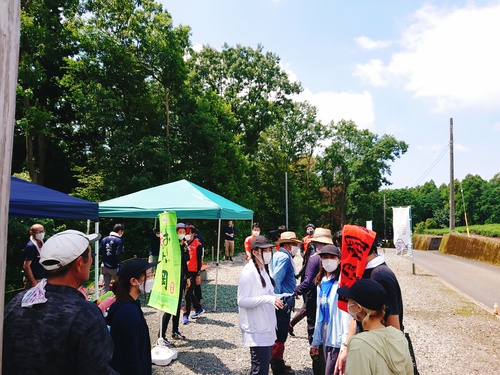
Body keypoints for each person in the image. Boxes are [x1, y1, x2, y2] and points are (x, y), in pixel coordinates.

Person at [3, 229, 117, 374]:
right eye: (91, 256)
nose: (92, 261)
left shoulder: (17, 302)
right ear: (79, 263)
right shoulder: (85, 315)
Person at [337, 279, 413, 375]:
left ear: (358, 308)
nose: (348, 304)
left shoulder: (359, 345)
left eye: (350, 301)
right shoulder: (399, 336)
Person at [237, 235, 284, 375]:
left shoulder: (263, 269)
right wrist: (267, 299)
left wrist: (282, 297)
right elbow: (242, 301)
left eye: (270, 249)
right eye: (265, 250)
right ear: (255, 252)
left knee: (264, 366)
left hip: (267, 326)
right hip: (256, 330)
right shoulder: (247, 273)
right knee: (259, 369)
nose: (269, 253)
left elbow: (269, 293)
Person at [291, 227, 334, 375]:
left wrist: (295, 291)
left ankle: (318, 366)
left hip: (314, 299)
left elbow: (308, 281)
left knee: (315, 334)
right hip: (331, 301)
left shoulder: (315, 258)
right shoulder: (335, 257)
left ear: (315, 243)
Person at [106, 258, 157, 375]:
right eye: (148, 276)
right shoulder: (129, 313)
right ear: (133, 281)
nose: (152, 279)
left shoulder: (127, 305)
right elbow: (131, 357)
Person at [311, 244, 351, 375]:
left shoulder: (341, 284)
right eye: (325, 257)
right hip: (325, 333)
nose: (328, 260)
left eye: (332, 257)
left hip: (337, 336)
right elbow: (319, 314)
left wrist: (344, 343)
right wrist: (316, 340)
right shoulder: (321, 282)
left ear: (339, 260)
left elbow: (345, 315)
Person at [270, 231, 301, 374]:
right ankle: (277, 365)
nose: (296, 246)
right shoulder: (284, 257)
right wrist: (278, 298)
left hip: (284, 295)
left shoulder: (278, 254)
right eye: (295, 244)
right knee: (281, 332)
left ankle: (278, 361)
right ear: (288, 244)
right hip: (283, 299)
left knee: (278, 331)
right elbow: (277, 278)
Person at [159, 223, 189, 345]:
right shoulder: (170, 245)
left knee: (177, 307)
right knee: (169, 307)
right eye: (179, 231)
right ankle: (161, 336)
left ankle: (175, 331)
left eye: (183, 231)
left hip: (181, 278)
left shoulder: (184, 244)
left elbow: (185, 263)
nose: (181, 233)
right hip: (172, 278)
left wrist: (187, 277)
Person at [184, 225, 205, 324]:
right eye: (186, 233)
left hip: (193, 272)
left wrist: (198, 275)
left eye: (189, 233)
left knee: (187, 293)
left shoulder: (198, 245)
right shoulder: (184, 244)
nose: (187, 235)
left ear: (193, 234)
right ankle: (198, 307)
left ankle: (185, 314)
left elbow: (199, 261)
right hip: (185, 271)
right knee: (188, 291)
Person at [100, 223, 125, 293]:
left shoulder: (104, 239)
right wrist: (119, 264)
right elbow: (118, 253)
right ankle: (120, 301)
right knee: (120, 285)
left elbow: (100, 250)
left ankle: (103, 302)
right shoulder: (119, 240)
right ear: (120, 231)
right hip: (114, 267)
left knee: (105, 286)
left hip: (104, 266)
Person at [22, 223, 45, 289]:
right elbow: (26, 265)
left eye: (42, 231)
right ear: (31, 233)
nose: (41, 233)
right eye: (39, 232)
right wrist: (33, 281)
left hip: (42, 277)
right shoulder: (31, 246)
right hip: (34, 279)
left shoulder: (42, 243)